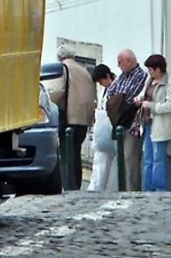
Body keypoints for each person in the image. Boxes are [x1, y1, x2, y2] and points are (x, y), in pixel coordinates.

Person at [46, 45, 96, 190]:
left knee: (66, 155)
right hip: (83, 120)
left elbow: (56, 91)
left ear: (60, 57)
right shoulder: (84, 70)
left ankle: (69, 186)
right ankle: (76, 185)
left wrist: (47, 102)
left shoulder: (62, 69)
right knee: (76, 154)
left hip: (68, 118)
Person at [105, 49, 148, 191]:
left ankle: (132, 191)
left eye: (120, 62)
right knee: (122, 158)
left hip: (132, 123)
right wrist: (119, 98)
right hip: (119, 122)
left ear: (129, 61)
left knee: (131, 159)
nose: (118, 66)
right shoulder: (122, 76)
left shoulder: (140, 75)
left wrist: (119, 99)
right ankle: (124, 189)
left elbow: (129, 98)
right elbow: (110, 93)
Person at [135, 54, 171, 192]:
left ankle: (159, 190)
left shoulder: (169, 83)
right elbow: (144, 93)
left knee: (158, 159)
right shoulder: (150, 80)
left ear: (158, 69)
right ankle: (148, 189)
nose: (149, 72)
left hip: (160, 125)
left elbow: (170, 105)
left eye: (151, 70)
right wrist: (139, 98)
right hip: (147, 123)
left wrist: (152, 106)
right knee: (148, 159)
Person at [87, 63, 117, 192]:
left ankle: (97, 187)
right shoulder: (105, 89)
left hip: (109, 129)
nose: (101, 84)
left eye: (101, 81)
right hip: (103, 128)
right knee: (99, 161)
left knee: (103, 160)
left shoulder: (116, 87)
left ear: (107, 76)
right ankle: (95, 186)